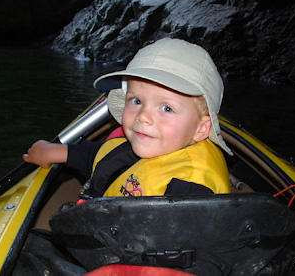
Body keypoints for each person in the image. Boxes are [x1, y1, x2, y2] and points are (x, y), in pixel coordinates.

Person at [23, 38, 232, 197]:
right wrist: (56, 151)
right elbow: (104, 156)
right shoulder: (156, 142)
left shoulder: (190, 189)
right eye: (136, 101)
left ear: (201, 129)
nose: (143, 116)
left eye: (167, 108)